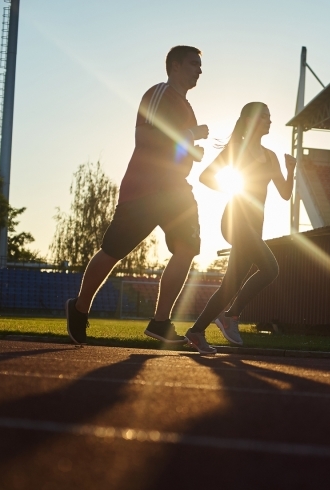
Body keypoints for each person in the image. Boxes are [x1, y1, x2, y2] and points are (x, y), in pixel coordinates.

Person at [65, 45, 209, 345]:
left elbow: (178, 147)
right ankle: (79, 308)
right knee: (114, 251)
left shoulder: (187, 107)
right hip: (145, 188)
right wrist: (192, 136)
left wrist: (194, 150)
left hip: (175, 190)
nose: (199, 70)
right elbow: (144, 137)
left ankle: (160, 322)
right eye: (194, 64)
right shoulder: (159, 93)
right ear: (175, 67)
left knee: (187, 249)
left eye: (200, 65)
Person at [184, 102, 294, 354]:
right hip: (235, 221)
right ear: (252, 120)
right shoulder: (237, 151)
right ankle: (231, 315)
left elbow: (286, 194)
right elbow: (206, 177)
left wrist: (291, 170)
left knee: (229, 287)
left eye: (270, 116)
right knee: (271, 268)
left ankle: (196, 331)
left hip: (254, 228)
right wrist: (235, 189)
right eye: (264, 116)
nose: (269, 120)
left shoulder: (271, 156)